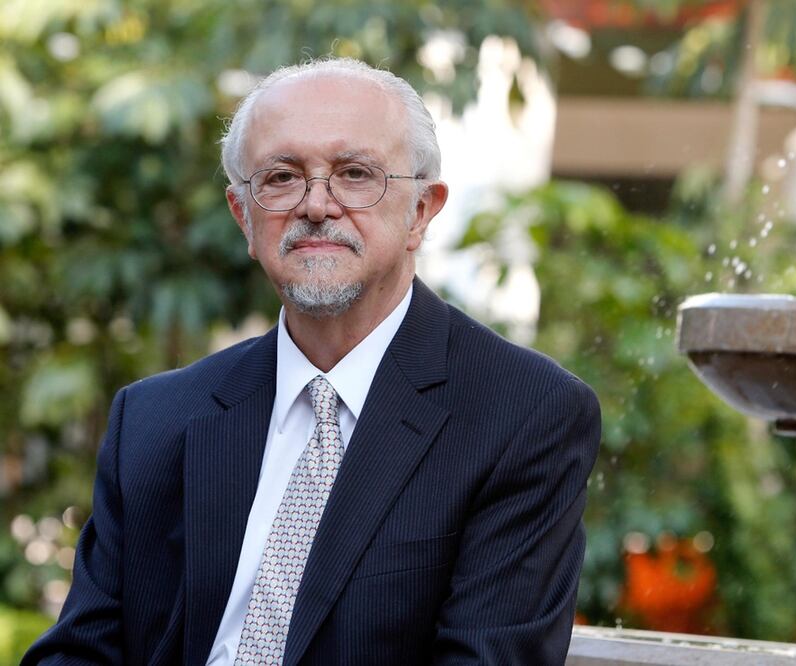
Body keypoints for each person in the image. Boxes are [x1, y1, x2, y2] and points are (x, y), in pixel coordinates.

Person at [23, 57, 601, 665]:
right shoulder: (152, 420)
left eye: (355, 174)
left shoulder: (523, 415)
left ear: (421, 212)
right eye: (281, 177)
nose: (317, 205)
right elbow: (81, 652)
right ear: (244, 216)